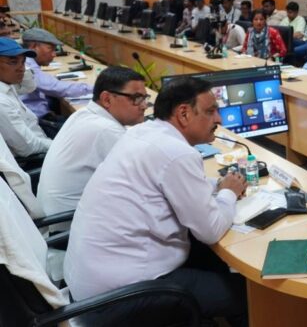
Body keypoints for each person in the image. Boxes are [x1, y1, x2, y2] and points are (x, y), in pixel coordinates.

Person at [64, 76, 248, 325]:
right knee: (248, 292)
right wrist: (229, 193)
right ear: (184, 114)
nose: (219, 120)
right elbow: (211, 230)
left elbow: (170, 185)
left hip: (90, 289)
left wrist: (218, 185)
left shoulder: (144, 132)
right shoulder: (177, 152)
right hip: (120, 299)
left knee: (213, 261)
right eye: (210, 111)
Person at [37, 67, 148, 216]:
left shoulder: (84, 114)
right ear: (107, 99)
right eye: (136, 98)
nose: (144, 105)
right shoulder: (106, 130)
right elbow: (143, 184)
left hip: (59, 214)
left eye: (145, 98)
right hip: (70, 220)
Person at [19, 28, 93, 119]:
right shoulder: (27, 66)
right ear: (34, 46)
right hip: (37, 119)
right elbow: (56, 87)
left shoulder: (26, 60)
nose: (54, 54)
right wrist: (95, 88)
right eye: (50, 49)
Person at [0, 38, 51, 157]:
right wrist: (60, 146)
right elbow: (28, 147)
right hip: (36, 159)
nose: (21, 68)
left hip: (42, 143)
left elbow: (29, 86)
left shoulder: (7, 84)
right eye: (13, 62)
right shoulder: (1, 102)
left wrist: (19, 63)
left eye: (23, 62)